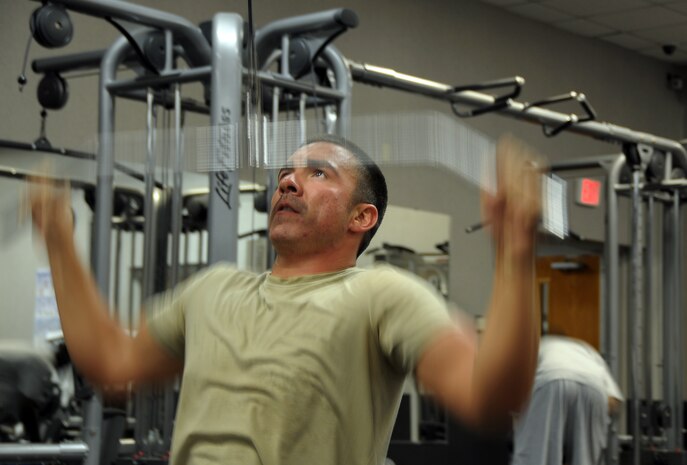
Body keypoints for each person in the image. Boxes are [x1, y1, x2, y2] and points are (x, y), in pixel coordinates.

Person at [29, 133, 542, 465]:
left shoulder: (382, 294)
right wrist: (59, 242)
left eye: (318, 173)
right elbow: (109, 359)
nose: (288, 182)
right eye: (285, 175)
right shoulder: (212, 289)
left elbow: (491, 396)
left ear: (361, 218)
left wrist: (514, 254)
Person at [511, 334, 624, 465]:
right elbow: (614, 401)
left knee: (535, 457)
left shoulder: (539, 346)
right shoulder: (588, 352)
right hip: (594, 388)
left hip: (550, 379)